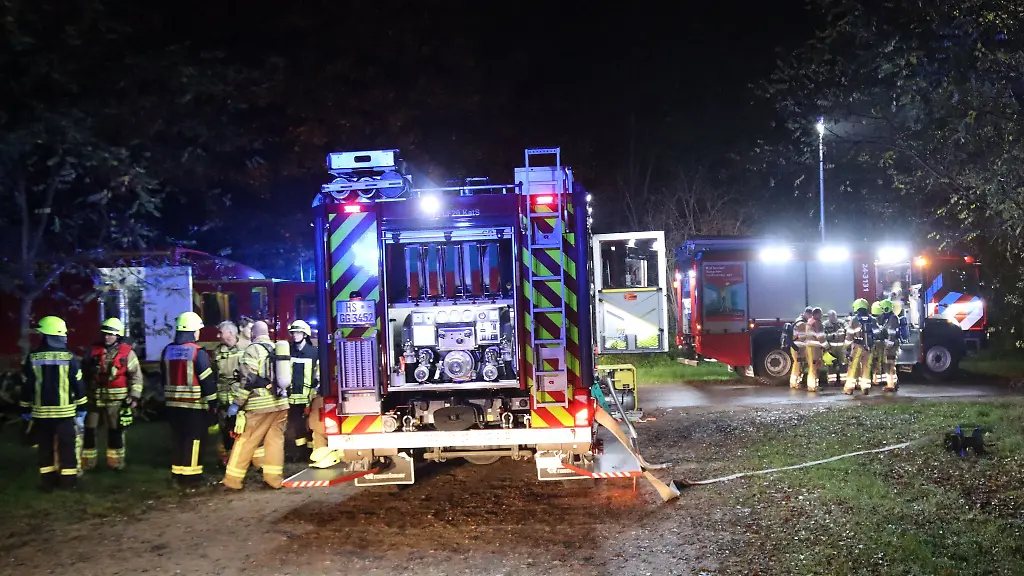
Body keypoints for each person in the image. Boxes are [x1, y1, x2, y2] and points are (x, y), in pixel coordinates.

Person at [19, 316, 87, 491]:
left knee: (45, 449)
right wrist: (82, 407)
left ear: (44, 336)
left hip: (41, 414)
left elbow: (27, 385)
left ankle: (48, 483)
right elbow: (78, 384)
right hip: (65, 414)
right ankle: (68, 483)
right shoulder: (69, 357)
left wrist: (25, 408)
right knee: (67, 448)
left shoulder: (33, 357)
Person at [222, 321, 289, 490]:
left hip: (260, 405)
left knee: (245, 440)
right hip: (281, 403)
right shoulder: (277, 349)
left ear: (253, 334)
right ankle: (274, 479)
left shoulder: (252, 350)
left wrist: (237, 404)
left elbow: (248, 380)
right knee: (275, 441)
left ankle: (232, 481)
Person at [161, 311, 217, 487]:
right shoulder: (197, 352)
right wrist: (213, 403)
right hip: (194, 405)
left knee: (178, 439)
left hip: (172, 405)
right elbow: (207, 381)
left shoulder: (167, 351)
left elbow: (163, 377)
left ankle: (177, 474)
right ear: (192, 331)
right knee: (194, 440)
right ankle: (192, 477)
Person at [81, 318, 142, 470]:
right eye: (105, 334)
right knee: (89, 430)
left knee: (116, 431)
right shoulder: (92, 351)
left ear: (118, 335)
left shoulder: (127, 354)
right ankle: (88, 463)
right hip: (94, 399)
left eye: (110, 334)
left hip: (117, 401)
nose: (106, 337)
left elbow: (136, 376)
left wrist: (134, 396)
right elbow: (82, 374)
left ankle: (116, 463)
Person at [286, 320, 318, 462]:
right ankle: (301, 452)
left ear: (305, 334)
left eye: (298, 332)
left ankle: (312, 451)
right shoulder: (288, 351)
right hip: (292, 397)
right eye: (293, 333)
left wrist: (315, 392)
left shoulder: (314, 352)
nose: (295, 335)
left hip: (309, 397)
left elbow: (318, 374)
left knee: (310, 425)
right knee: (296, 425)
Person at [213, 321, 245, 463]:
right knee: (225, 431)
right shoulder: (217, 352)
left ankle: (244, 459)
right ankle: (227, 460)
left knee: (242, 430)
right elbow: (214, 374)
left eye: (221, 332)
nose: (218, 336)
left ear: (230, 333)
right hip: (223, 399)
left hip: (240, 398)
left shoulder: (246, 348)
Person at [843, 299, 875, 394]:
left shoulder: (855, 319)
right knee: (866, 367)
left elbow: (849, 336)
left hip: (858, 346)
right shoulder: (872, 319)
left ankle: (849, 388)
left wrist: (846, 347)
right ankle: (865, 388)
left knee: (853, 366)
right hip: (869, 347)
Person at [877, 299, 901, 392]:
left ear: (887, 309)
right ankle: (891, 384)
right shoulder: (889, 318)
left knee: (890, 365)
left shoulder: (893, 318)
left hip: (891, 346)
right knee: (888, 365)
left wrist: (888, 347)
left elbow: (891, 334)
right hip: (889, 345)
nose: (882, 311)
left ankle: (892, 385)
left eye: (883, 309)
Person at [789, 307, 812, 389]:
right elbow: (802, 337)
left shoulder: (799, 320)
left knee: (798, 364)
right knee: (798, 365)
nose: (811, 317)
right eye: (810, 315)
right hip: (799, 347)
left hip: (796, 346)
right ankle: (795, 383)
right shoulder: (802, 324)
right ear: (806, 314)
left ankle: (795, 383)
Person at [822, 310, 847, 386]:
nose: (833, 317)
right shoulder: (825, 324)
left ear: (836, 316)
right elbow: (822, 335)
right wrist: (832, 336)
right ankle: (832, 382)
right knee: (831, 365)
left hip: (842, 348)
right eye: (831, 316)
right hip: (830, 348)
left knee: (843, 364)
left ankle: (844, 381)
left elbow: (848, 331)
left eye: (834, 316)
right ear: (828, 317)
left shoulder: (842, 323)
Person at [804, 307, 824, 392]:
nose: (822, 315)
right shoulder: (817, 323)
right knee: (814, 367)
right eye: (820, 314)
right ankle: (813, 386)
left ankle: (812, 385)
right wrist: (827, 346)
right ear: (816, 314)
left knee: (812, 367)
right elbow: (820, 337)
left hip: (809, 347)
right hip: (815, 349)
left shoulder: (809, 321)